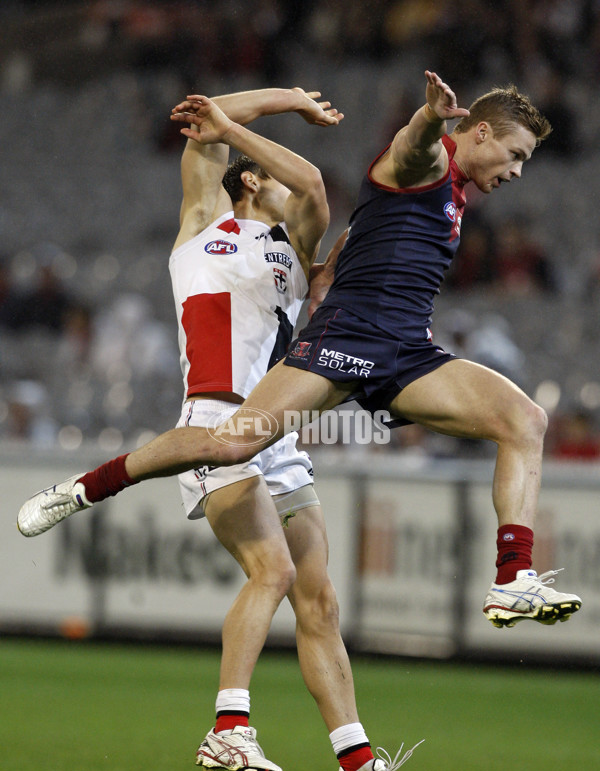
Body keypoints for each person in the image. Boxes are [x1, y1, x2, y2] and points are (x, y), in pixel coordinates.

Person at [18, 70, 582, 633]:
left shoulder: (407, 209)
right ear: (479, 132)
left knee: (525, 419)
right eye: (515, 154)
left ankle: (512, 579)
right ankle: (85, 488)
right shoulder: (429, 164)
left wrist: (326, 268)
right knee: (231, 445)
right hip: (345, 339)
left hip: (409, 351)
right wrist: (429, 116)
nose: (517, 171)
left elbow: (333, 209)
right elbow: (412, 144)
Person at [19, 85, 434, 771]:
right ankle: (229, 724)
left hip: (277, 435)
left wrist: (275, 117)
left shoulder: (299, 248)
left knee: (321, 600)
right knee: (269, 570)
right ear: (246, 178)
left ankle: (358, 764)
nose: (286, 178)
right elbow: (205, 121)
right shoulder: (200, 225)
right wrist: (269, 105)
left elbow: (306, 181)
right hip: (213, 417)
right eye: (261, 168)